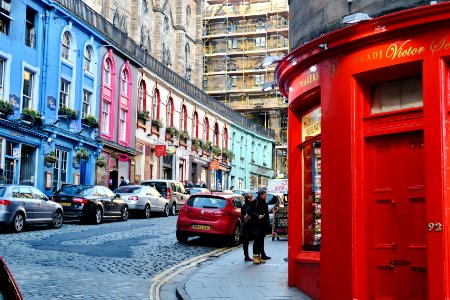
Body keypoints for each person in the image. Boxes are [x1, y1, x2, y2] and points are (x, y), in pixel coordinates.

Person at [245, 189, 270, 264]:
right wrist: (257, 216)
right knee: (256, 241)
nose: (266, 196)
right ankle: (255, 257)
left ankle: (259, 257)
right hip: (256, 225)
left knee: (260, 241)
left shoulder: (263, 202)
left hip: (262, 225)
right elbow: (248, 210)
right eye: (265, 194)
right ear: (261, 195)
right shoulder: (256, 201)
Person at [241, 193, 254, 262]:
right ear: (248, 199)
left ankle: (246, 256)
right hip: (246, 226)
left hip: (247, 226)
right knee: (246, 242)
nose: (252, 199)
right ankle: (246, 256)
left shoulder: (246, 205)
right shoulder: (246, 206)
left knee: (246, 242)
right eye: (250, 198)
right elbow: (246, 217)